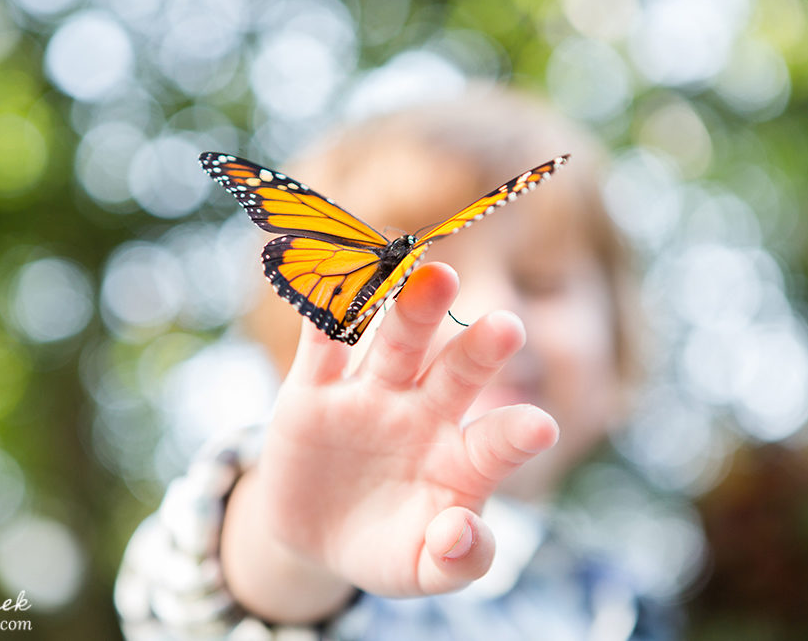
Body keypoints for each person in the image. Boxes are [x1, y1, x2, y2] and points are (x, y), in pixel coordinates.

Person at [114, 84, 677, 640]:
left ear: (619, 343)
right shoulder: (349, 576)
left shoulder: (616, 601)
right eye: (412, 286)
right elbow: (185, 602)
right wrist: (291, 546)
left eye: (543, 283)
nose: (493, 310)